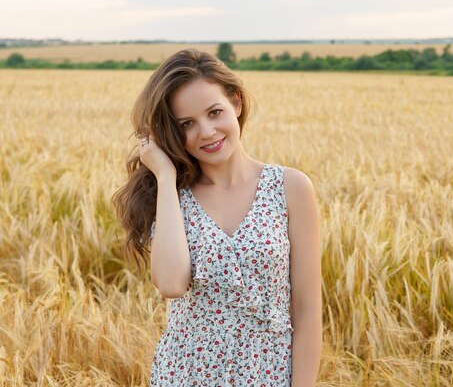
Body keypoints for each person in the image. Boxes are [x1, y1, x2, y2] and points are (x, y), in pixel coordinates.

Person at [111, 48, 322, 386]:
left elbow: (308, 309)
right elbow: (171, 283)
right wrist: (164, 176)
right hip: (185, 374)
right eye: (186, 124)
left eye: (214, 112)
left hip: (268, 374)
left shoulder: (290, 187)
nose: (207, 132)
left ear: (236, 103)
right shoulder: (171, 197)